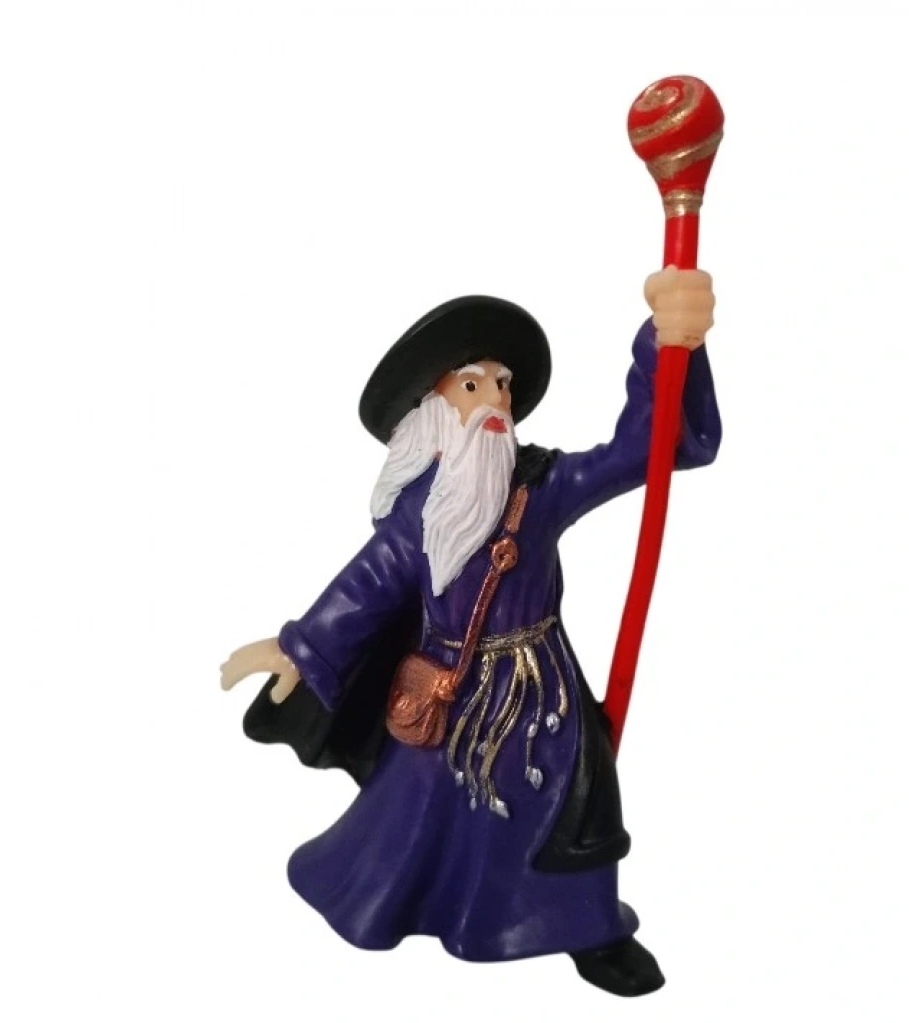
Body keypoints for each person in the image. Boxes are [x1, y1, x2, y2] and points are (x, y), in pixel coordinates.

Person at [221, 266, 721, 997]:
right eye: (472, 384)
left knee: (576, 803)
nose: (496, 399)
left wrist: (669, 346)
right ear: (434, 410)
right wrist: (300, 645)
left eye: (503, 385)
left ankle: (589, 926)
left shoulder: (540, 486)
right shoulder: (420, 510)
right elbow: (369, 581)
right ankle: (409, 899)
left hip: (543, 692)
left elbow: (650, 447)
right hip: (446, 692)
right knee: (419, 809)